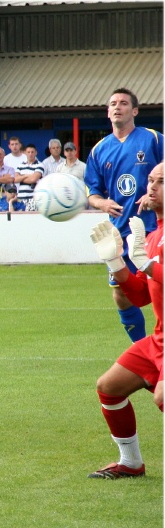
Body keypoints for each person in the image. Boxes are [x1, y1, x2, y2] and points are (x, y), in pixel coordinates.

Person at [87, 162, 163, 479]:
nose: (152, 186)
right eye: (151, 180)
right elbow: (142, 296)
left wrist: (148, 266)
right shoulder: (155, 235)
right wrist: (116, 261)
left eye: (161, 181)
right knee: (109, 387)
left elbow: (153, 273)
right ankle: (130, 462)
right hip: (158, 339)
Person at [85, 87, 164, 343]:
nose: (117, 107)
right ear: (108, 113)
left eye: (123, 103)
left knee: (157, 288)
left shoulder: (153, 139)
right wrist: (103, 204)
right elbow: (92, 193)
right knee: (121, 294)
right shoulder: (99, 150)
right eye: (112, 104)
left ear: (135, 110)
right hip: (120, 232)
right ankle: (142, 349)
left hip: (155, 229)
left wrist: (152, 194)